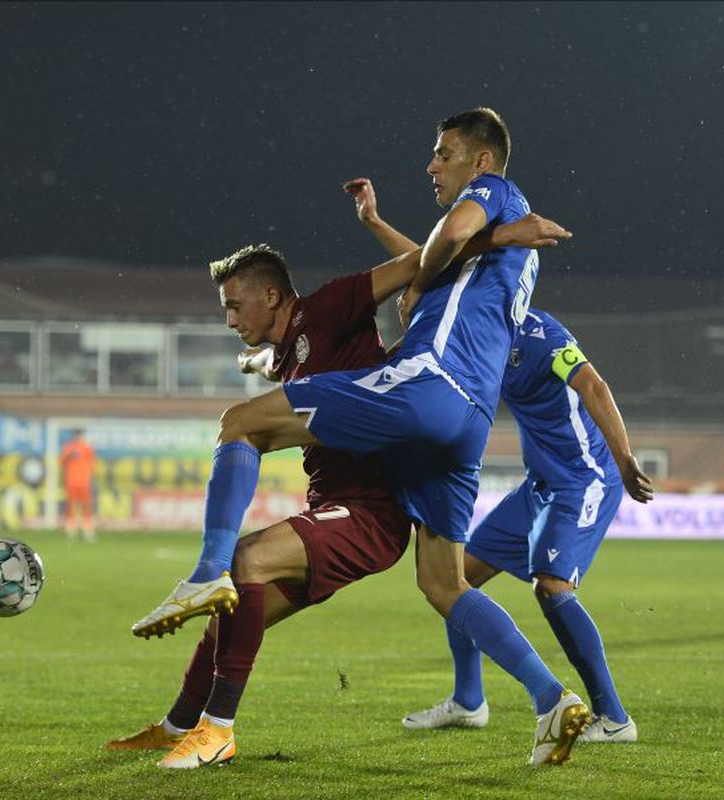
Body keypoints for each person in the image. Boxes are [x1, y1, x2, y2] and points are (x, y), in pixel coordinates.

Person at [133, 107, 595, 767]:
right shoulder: (490, 268)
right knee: (445, 585)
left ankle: (205, 579)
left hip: (428, 387)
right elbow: (434, 259)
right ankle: (553, 701)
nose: (432, 166)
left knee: (241, 427)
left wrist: (477, 241)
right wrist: (389, 233)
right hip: (466, 420)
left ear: (480, 160)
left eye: (443, 154)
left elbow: (441, 245)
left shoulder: (493, 196)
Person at [345, 177, 653, 744]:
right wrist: (372, 223)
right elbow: (432, 260)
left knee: (552, 587)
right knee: (460, 582)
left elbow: (594, 386)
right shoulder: (481, 340)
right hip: (540, 485)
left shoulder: (540, 333)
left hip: (583, 478)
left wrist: (625, 457)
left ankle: (614, 718)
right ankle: (468, 700)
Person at [60, 429, 98, 541]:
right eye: (76, 435)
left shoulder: (88, 448)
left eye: (80, 435)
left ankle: (88, 532)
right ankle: (71, 532)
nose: (78, 437)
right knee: (71, 507)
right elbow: (62, 462)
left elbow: (92, 463)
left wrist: (91, 477)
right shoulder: (68, 448)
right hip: (71, 482)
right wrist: (68, 456)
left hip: (84, 482)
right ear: (73, 436)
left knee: (86, 507)